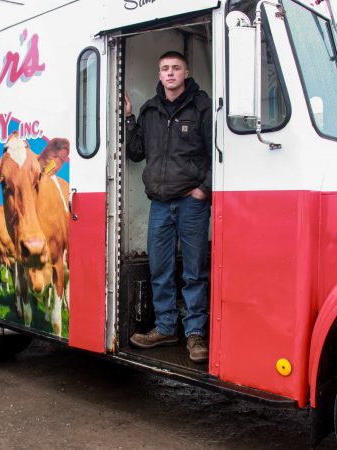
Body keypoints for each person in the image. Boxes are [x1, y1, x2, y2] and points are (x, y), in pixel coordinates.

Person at [125, 51, 212, 363]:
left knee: (194, 271)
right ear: (159, 74)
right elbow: (136, 153)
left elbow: (219, 151)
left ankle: (195, 335)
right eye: (165, 69)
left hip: (192, 203)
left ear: (186, 72)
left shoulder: (202, 106)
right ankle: (165, 328)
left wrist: (205, 189)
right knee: (160, 268)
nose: (171, 73)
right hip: (160, 204)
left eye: (176, 68)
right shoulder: (149, 111)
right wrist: (129, 118)